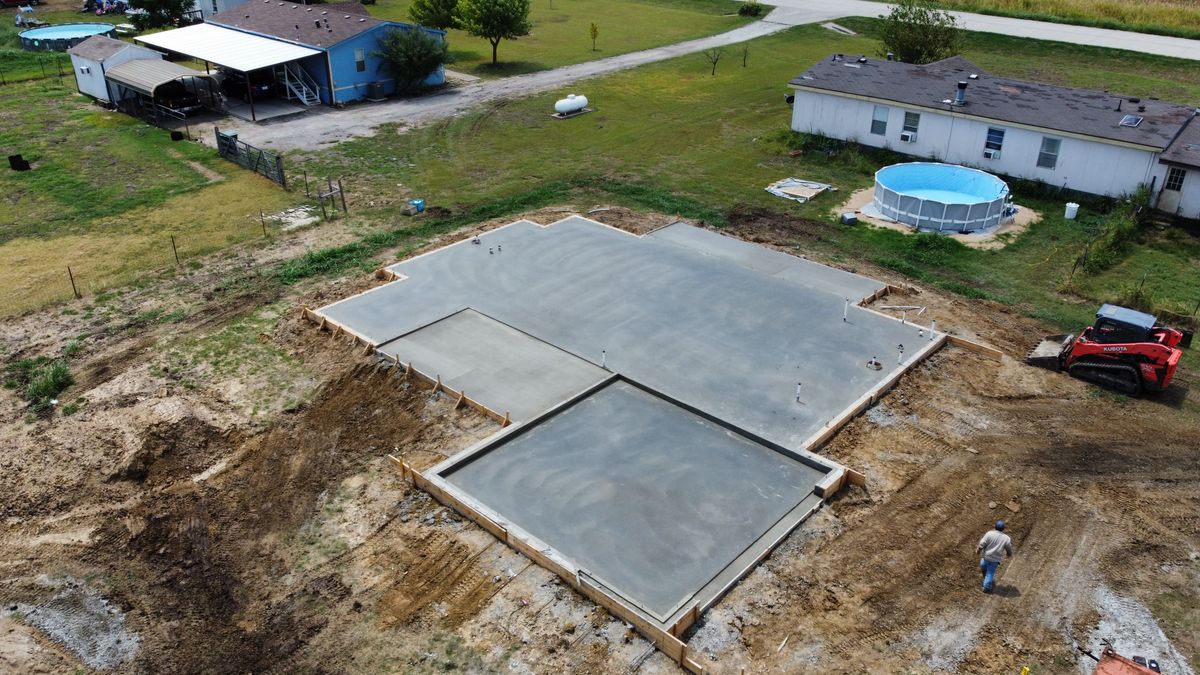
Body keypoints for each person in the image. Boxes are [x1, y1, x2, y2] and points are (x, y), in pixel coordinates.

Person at [976, 520, 1013, 593]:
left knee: (983, 564)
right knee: (990, 573)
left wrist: (978, 550)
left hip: (986, 556)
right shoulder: (1006, 538)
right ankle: (986, 588)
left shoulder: (989, 534)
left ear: (995, 526)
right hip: (995, 560)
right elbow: (1009, 548)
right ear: (1003, 529)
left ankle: (984, 574)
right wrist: (1009, 554)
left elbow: (982, 543)